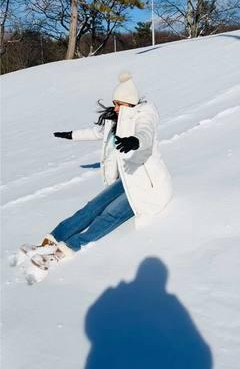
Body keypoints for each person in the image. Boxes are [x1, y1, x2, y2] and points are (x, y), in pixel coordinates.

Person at [15, 72, 173, 280]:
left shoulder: (145, 114)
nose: (115, 108)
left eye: (119, 104)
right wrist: (71, 135)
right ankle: (52, 240)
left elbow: (146, 132)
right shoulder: (117, 119)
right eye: (114, 103)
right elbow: (96, 133)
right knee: (91, 208)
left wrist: (135, 141)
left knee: (110, 214)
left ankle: (66, 249)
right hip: (126, 178)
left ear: (130, 102)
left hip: (146, 183)